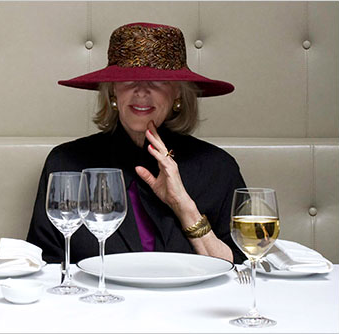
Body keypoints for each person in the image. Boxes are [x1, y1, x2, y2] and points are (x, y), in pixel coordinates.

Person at [26, 22, 246, 264]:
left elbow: (241, 270)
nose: (141, 91)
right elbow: (45, 267)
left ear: (178, 94)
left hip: (192, 302)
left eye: (158, 81)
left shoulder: (218, 168)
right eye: (128, 80)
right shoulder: (66, 163)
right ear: (112, 91)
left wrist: (182, 205)